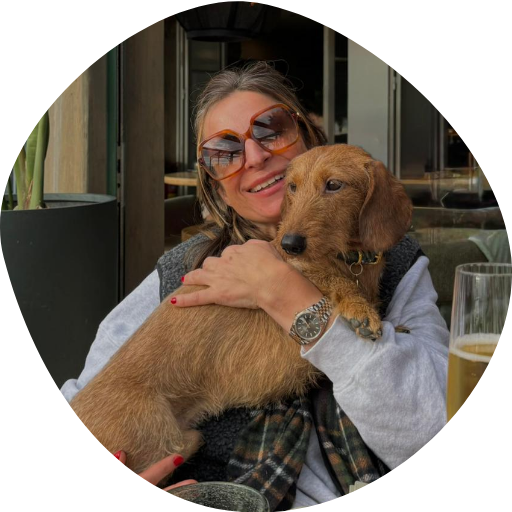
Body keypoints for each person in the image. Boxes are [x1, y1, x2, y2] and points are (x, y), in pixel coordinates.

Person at [61, 61, 449, 510]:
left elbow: (434, 421)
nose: (254, 156)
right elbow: (90, 396)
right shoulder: (185, 271)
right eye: (223, 152)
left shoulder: (397, 265)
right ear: (216, 186)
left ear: (308, 137)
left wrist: (286, 294)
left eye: (271, 129)